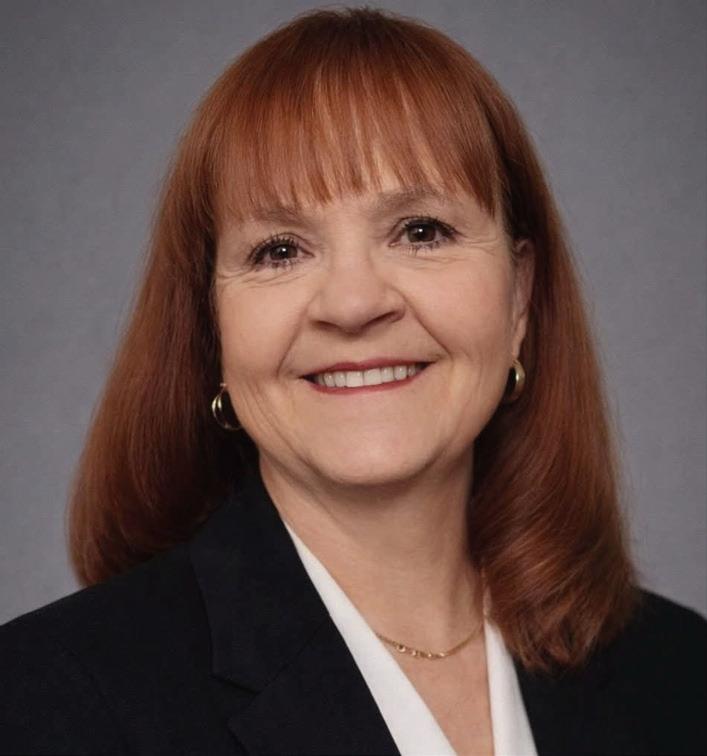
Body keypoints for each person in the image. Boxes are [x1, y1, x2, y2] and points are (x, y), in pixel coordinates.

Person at [1, 6, 705, 755]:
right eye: (279, 250)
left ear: (519, 297)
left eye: (421, 231)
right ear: (211, 326)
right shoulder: (46, 702)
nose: (353, 303)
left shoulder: (681, 676)